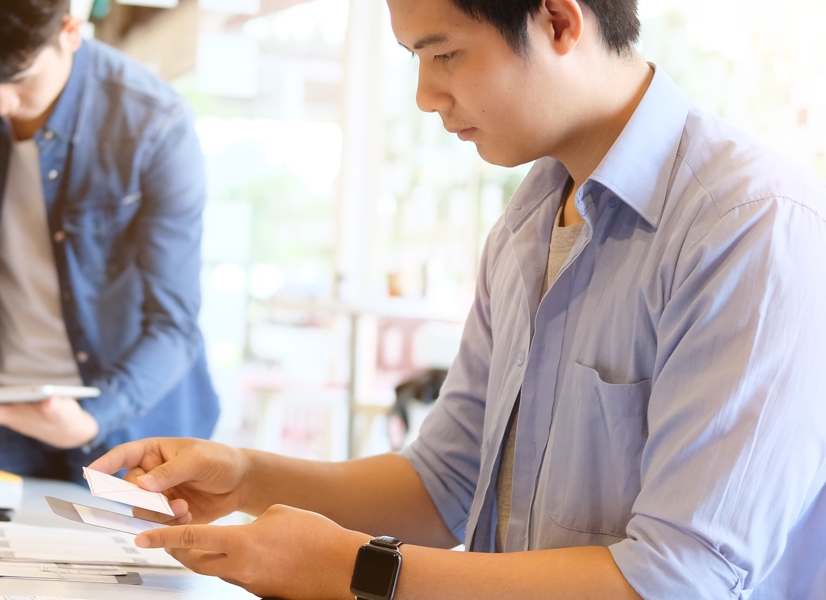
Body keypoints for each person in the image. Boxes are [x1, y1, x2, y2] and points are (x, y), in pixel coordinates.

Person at [89, 0, 826, 597]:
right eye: (416, 60)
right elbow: (445, 482)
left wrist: (358, 571)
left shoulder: (751, 227)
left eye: (444, 55)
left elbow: (681, 580)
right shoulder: (527, 223)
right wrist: (247, 477)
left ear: (560, 22)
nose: (425, 96)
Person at [0, 0, 219, 483]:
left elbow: (174, 325)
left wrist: (92, 419)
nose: (1, 105)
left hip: (125, 421)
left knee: (118, 560)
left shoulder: (153, 123)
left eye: (21, 79)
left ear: (71, 30)